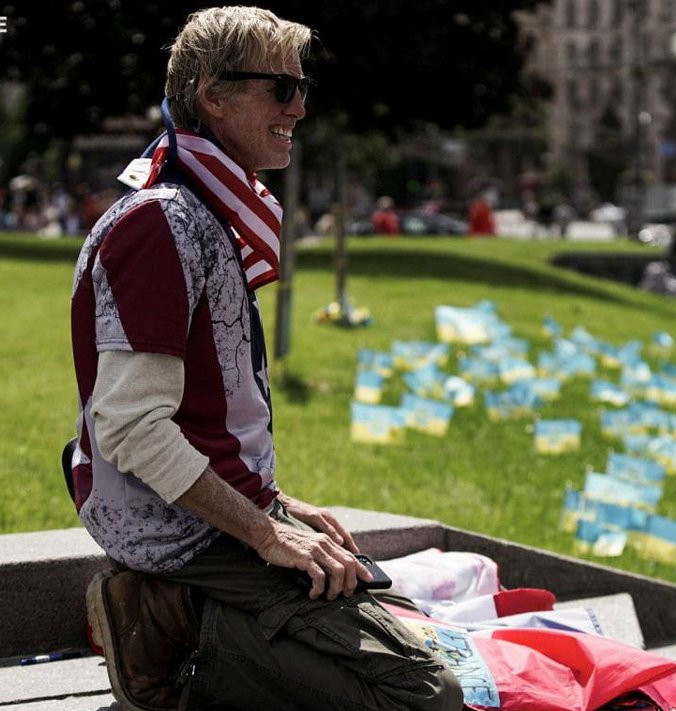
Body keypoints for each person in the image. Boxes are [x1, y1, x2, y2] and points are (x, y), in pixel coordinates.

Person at [68, 8, 461, 711]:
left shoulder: (203, 213)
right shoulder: (163, 222)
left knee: (394, 618)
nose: (300, 108)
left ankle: (203, 622)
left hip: (215, 520)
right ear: (213, 95)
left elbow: (208, 410)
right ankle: (161, 628)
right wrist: (265, 532)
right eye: (280, 88)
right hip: (180, 536)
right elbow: (130, 426)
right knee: (422, 695)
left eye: (302, 88)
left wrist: (280, 505)